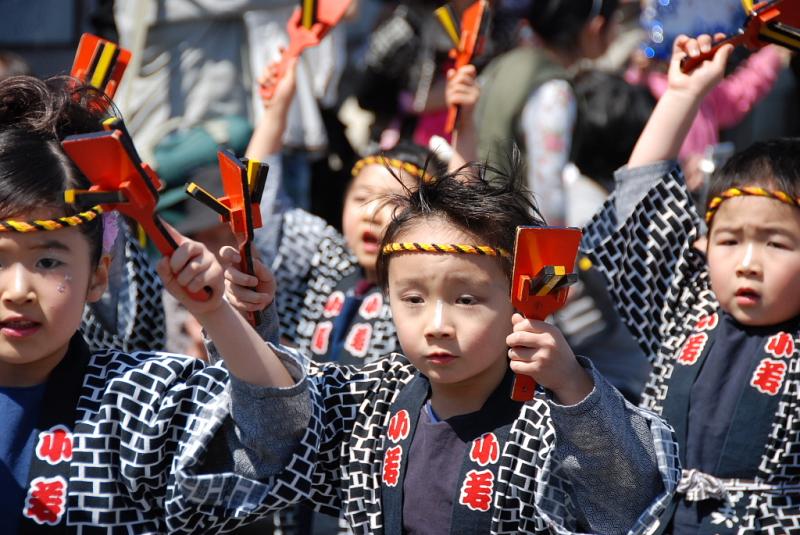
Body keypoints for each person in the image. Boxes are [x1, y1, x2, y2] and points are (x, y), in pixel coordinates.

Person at [225, 160, 680, 533]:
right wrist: (234, 320)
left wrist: (574, 388)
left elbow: (625, 505)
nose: (437, 325)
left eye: (466, 299)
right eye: (413, 299)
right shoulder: (372, 399)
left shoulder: (550, 420)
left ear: (518, 298)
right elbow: (278, 431)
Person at [0, 75, 310, 533]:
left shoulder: (141, 399)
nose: (18, 290)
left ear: (98, 275)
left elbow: (277, 444)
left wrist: (216, 313)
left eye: (48, 260)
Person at [582, 33, 800, 532]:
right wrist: (683, 96)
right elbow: (639, 202)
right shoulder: (687, 304)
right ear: (703, 246)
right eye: (729, 242)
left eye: (776, 243)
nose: (748, 262)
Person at [476, 0, 620, 225]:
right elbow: (548, 192)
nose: (617, 32)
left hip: (477, 219)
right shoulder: (554, 90)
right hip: (509, 235)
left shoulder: (503, 63)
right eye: (616, 21)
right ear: (595, 27)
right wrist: (553, 256)